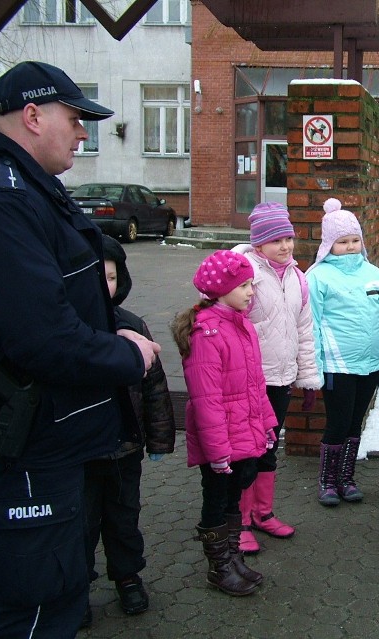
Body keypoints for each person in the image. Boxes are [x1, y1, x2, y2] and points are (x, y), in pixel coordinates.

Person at [0, 61, 160, 637]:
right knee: (39, 607)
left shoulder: (28, 189)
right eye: (76, 118)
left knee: (62, 591)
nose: (85, 132)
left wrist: (107, 332)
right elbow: (42, 337)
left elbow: (60, 304)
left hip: (51, 434)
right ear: (34, 116)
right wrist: (126, 357)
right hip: (27, 440)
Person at [81, 236, 176, 625]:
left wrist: (158, 439)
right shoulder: (69, 328)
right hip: (80, 450)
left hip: (123, 447)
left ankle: (127, 575)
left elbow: (154, 388)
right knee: (80, 524)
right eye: (92, 277)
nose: (102, 286)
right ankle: (75, 586)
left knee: (123, 517)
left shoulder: (132, 325)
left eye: (109, 277)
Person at [171, 250, 277, 596]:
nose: (251, 292)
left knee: (234, 499)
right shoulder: (207, 334)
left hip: (244, 434)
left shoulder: (240, 324)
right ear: (219, 289)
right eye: (244, 285)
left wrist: (267, 424)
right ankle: (219, 568)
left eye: (251, 285)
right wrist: (217, 452)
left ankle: (232, 559)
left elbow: (255, 385)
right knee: (216, 501)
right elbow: (206, 401)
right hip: (221, 442)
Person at [306, 198, 379, 506]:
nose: (350, 246)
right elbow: (309, 325)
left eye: (354, 240)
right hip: (337, 366)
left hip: (371, 364)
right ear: (328, 245)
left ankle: (347, 479)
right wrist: (312, 368)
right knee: (338, 423)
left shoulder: (375, 275)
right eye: (342, 241)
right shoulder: (317, 277)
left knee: (355, 423)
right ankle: (327, 480)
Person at [232, 202, 322, 554]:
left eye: (288, 238)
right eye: (275, 240)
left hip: (281, 380)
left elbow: (304, 330)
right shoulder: (244, 274)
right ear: (258, 244)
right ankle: (237, 520)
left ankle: (262, 512)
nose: (285, 246)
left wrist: (307, 377)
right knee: (246, 452)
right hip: (249, 382)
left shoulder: (298, 277)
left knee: (269, 447)